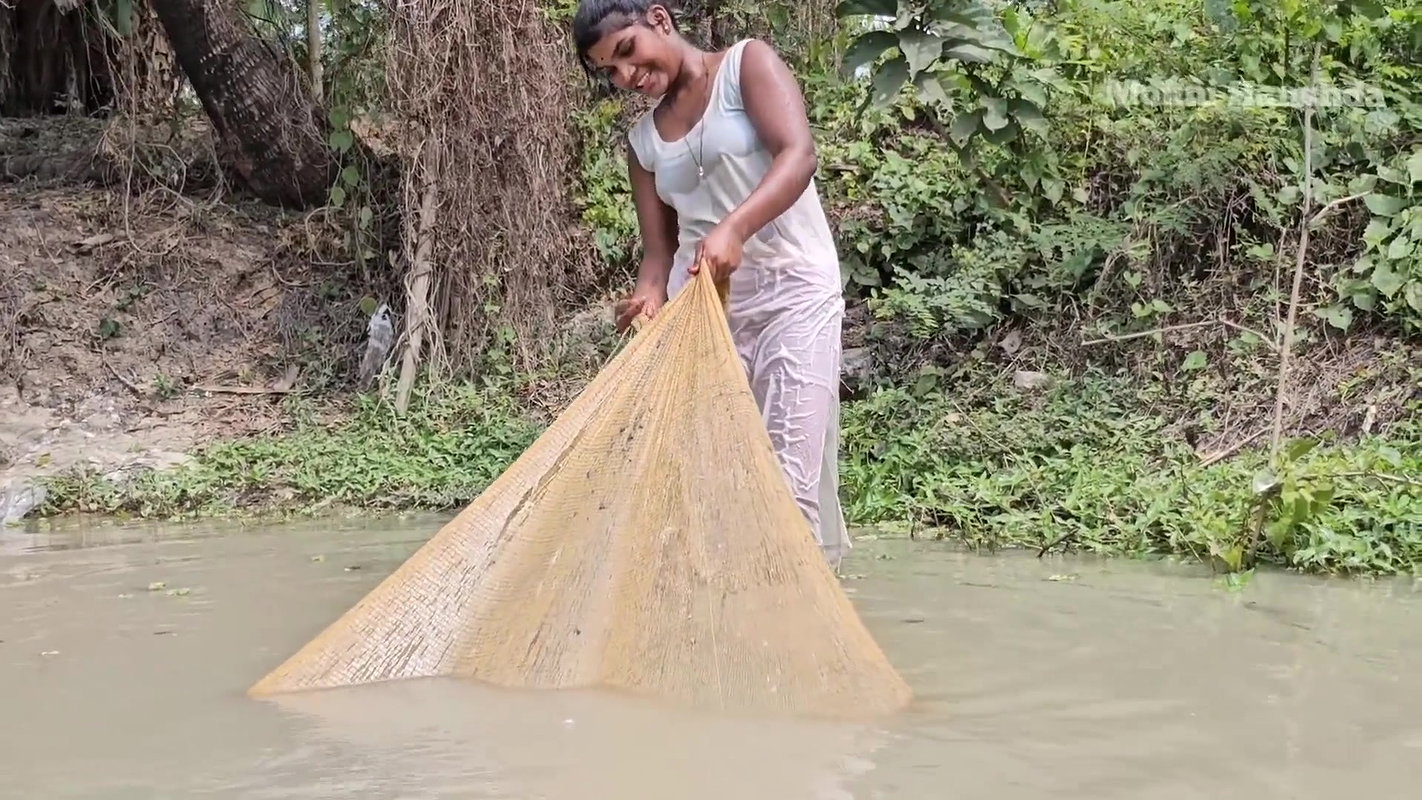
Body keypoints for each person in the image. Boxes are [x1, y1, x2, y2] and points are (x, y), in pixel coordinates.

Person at [572, 0, 852, 569]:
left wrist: (735, 228)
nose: (627, 76)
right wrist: (648, 296)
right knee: (712, 477)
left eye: (626, 52)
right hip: (705, 314)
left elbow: (799, 155)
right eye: (610, 71)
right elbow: (660, 253)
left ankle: (793, 625)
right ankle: (726, 622)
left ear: (659, 19)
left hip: (793, 292)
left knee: (787, 475)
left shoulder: (747, 64)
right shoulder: (644, 143)